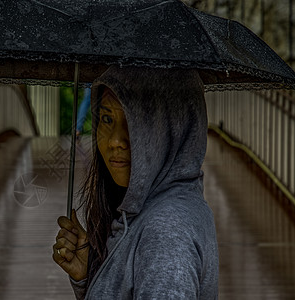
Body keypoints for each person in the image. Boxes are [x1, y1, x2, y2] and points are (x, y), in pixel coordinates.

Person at [52, 66, 219, 299]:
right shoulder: (156, 212)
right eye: (107, 118)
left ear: (173, 128)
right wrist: (90, 278)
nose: (115, 141)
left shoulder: (167, 233)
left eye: (135, 122)